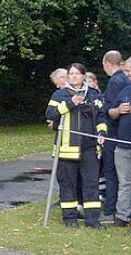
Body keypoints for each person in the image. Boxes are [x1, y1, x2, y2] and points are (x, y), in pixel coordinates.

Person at [45, 63, 106, 227]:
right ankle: (70, 219)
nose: (74, 76)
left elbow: (101, 117)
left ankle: (93, 220)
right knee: (67, 185)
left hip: (90, 147)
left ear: (83, 76)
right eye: (71, 74)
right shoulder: (60, 94)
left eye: (77, 74)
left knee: (91, 184)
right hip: (66, 149)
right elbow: (50, 114)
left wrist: (102, 133)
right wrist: (70, 103)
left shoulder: (93, 94)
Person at [107, 55, 131, 226]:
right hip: (123, 144)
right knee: (125, 182)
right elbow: (110, 112)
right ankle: (122, 216)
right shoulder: (127, 90)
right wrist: (118, 110)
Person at [100, 51, 128, 215]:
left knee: (111, 172)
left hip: (113, 132)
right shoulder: (125, 79)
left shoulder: (114, 81)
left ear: (107, 64)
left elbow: (110, 108)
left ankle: (110, 207)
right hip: (122, 132)